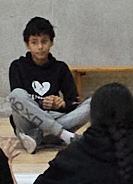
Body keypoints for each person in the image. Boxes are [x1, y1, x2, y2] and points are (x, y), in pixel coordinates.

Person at [5, 15, 88, 156]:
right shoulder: (17, 66)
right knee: (16, 95)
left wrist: (61, 104)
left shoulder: (60, 68)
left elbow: (73, 101)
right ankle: (62, 134)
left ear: (51, 42)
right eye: (34, 42)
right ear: (27, 44)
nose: (40, 47)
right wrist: (42, 102)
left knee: (93, 103)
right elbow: (18, 100)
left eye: (44, 41)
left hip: (54, 117)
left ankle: (38, 137)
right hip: (29, 122)